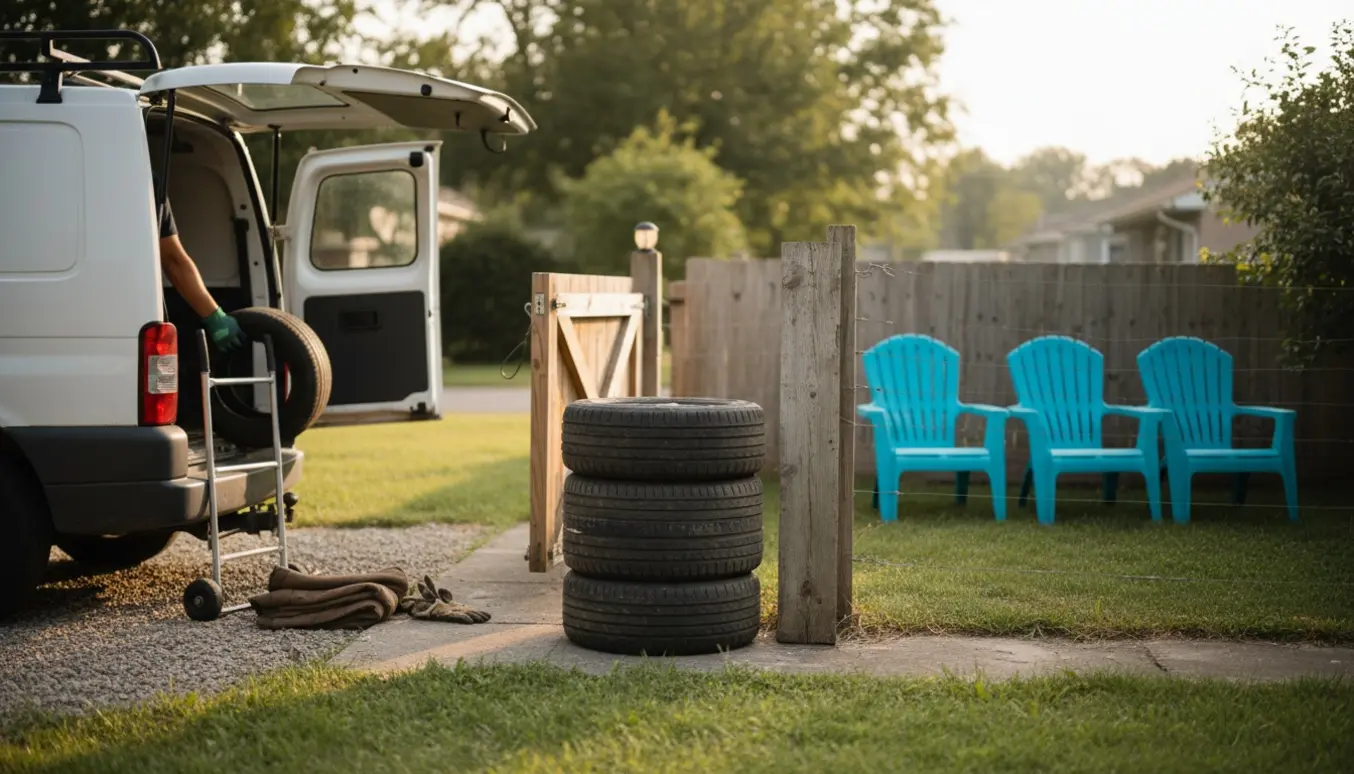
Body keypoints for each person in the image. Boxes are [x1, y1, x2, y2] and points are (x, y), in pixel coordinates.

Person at [156, 198, 247, 353]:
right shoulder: (147, 185)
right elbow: (172, 261)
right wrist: (215, 318)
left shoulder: (152, 187)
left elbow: (172, 261)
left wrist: (215, 317)